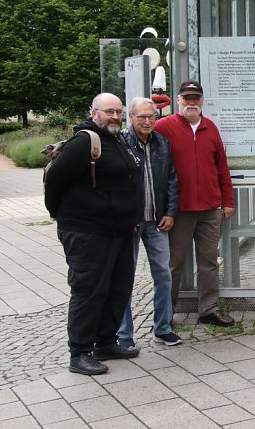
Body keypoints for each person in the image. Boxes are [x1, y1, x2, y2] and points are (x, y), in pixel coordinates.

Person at [44, 93, 143, 375]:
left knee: (117, 288)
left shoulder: (118, 139)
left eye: (118, 112)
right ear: (94, 112)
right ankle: (79, 352)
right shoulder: (86, 141)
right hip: (88, 232)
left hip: (119, 230)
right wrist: (65, 217)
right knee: (89, 291)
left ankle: (106, 342)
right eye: (109, 111)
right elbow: (55, 181)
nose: (115, 116)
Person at [154, 80, 236, 327]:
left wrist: (227, 200)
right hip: (178, 211)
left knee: (209, 263)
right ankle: (165, 312)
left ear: (202, 101)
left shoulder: (210, 128)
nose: (191, 102)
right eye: (187, 98)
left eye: (196, 98)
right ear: (178, 100)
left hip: (210, 209)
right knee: (173, 264)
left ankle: (208, 309)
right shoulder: (163, 127)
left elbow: (221, 167)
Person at [117, 97, 183, 348]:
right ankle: (124, 335)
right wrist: (126, 217)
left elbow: (172, 180)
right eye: (141, 116)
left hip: (157, 222)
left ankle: (163, 327)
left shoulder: (162, 143)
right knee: (125, 277)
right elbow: (115, 186)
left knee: (164, 274)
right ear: (130, 117)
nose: (147, 121)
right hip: (130, 224)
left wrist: (171, 212)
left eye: (151, 117)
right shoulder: (120, 143)